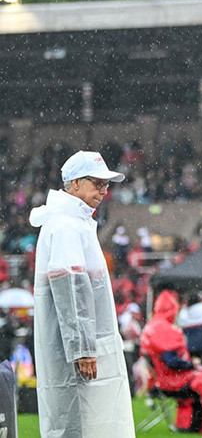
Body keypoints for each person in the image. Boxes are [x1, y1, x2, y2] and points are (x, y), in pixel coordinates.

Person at [29, 151, 136, 436]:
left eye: (106, 184)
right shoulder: (66, 225)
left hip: (83, 346)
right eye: (97, 183)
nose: (104, 190)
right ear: (74, 183)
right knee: (76, 421)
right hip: (76, 351)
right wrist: (83, 349)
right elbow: (71, 289)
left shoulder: (75, 222)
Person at [140, 290, 202, 431]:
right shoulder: (163, 329)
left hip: (163, 380)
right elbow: (171, 362)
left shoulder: (152, 327)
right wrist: (191, 364)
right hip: (174, 381)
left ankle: (198, 425)